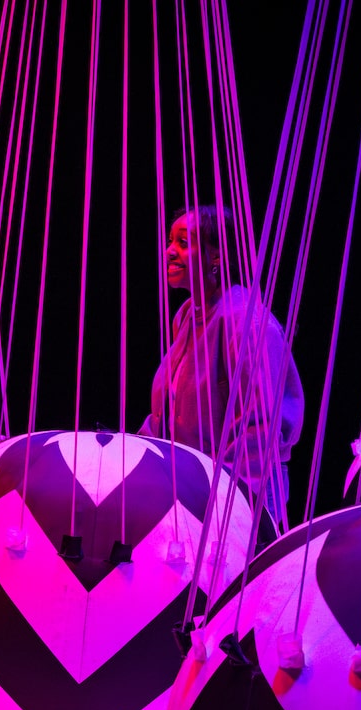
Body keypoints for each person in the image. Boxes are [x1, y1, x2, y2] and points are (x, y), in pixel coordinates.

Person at [140, 205, 304, 532]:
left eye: (184, 243)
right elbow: (167, 415)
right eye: (171, 241)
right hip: (189, 493)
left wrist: (221, 505)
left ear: (216, 256)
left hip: (235, 502)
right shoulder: (188, 316)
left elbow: (257, 430)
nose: (170, 252)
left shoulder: (244, 322)